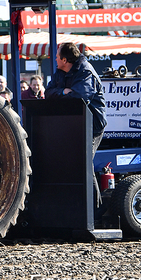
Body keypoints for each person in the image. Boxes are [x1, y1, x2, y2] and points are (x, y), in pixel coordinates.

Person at [45, 42, 107, 206]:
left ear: (65, 60)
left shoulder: (86, 71)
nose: (56, 59)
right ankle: (74, 207)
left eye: (57, 57)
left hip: (91, 126)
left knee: (84, 163)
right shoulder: (59, 72)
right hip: (70, 125)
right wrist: (63, 92)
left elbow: (79, 98)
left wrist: (60, 94)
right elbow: (47, 93)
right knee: (69, 163)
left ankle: (94, 210)